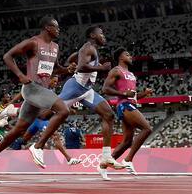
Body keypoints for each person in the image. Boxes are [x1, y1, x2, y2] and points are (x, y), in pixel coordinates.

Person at [0, 16, 75, 178]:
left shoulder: (55, 47)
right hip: (31, 89)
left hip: (40, 93)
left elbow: (55, 69)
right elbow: (7, 56)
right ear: (47, 28)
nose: (59, 30)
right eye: (56, 27)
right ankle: (38, 146)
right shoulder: (33, 43)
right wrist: (20, 75)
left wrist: (67, 70)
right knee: (63, 110)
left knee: (17, 131)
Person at [58, 25, 125, 178]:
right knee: (45, 113)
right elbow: (81, 67)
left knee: (109, 115)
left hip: (87, 90)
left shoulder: (90, 50)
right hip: (75, 88)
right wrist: (101, 68)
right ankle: (18, 114)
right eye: (101, 33)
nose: (104, 36)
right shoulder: (88, 48)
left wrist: (71, 62)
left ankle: (106, 157)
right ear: (92, 35)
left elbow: (74, 60)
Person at [101, 47, 153, 177]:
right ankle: (128, 160)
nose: (130, 57)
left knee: (127, 142)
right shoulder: (116, 70)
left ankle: (103, 165)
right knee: (147, 129)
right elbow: (105, 89)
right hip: (124, 105)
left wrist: (144, 94)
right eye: (127, 54)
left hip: (130, 103)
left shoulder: (131, 74)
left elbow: (133, 96)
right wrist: (123, 93)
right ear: (120, 57)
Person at [13, 75, 82, 165]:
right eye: (54, 81)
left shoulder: (51, 92)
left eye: (57, 82)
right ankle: (10, 153)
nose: (55, 84)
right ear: (48, 79)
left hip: (41, 121)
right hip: (35, 120)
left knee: (55, 136)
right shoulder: (41, 87)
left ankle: (68, 159)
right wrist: (12, 102)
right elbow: (23, 93)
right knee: (22, 139)